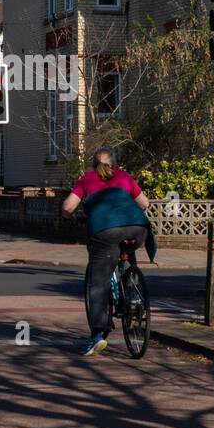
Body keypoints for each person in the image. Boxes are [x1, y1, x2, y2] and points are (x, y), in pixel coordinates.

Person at [61, 147, 155, 356]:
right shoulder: (124, 176)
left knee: (98, 282)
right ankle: (134, 295)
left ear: (94, 164)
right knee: (128, 252)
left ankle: (97, 334)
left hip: (105, 233)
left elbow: (68, 207)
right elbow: (145, 203)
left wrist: (71, 218)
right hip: (138, 228)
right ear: (115, 163)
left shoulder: (87, 179)